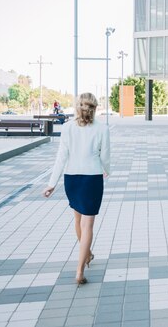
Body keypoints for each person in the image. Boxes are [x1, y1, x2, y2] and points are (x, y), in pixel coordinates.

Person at [43, 93, 110, 285]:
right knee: (87, 225)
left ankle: (86, 253)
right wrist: (106, 169)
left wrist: (51, 183)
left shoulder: (67, 128)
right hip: (92, 179)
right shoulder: (102, 129)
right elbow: (105, 155)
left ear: (77, 107)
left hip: (71, 179)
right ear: (95, 108)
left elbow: (61, 157)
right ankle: (80, 270)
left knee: (78, 219)